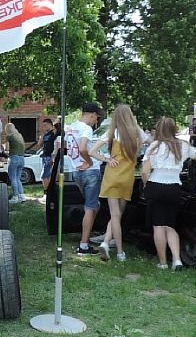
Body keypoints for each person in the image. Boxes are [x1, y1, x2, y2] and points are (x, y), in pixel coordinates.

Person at [142, 117, 196, 270]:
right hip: (174, 188)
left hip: (156, 185)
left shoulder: (154, 146)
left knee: (158, 226)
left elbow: (145, 171)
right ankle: (177, 260)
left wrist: (146, 185)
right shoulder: (183, 145)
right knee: (170, 226)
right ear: (174, 129)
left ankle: (163, 262)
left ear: (159, 130)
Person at [89, 104, 149, 262]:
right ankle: (111, 245)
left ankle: (115, 248)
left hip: (112, 175)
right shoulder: (137, 132)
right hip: (126, 177)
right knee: (118, 215)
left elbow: (91, 151)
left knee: (114, 215)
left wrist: (107, 159)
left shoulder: (112, 132)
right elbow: (151, 143)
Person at [65, 102, 105, 255]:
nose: (96, 121)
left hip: (76, 171)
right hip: (90, 171)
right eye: (97, 118)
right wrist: (88, 162)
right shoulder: (86, 128)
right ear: (92, 114)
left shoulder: (71, 127)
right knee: (90, 207)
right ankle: (83, 245)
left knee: (94, 205)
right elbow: (82, 148)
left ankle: (87, 234)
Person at [4, 123, 26, 204]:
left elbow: (7, 148)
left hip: (14, 158)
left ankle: (15, 196)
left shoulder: (9, 136)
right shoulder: (19, 136)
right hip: (22, 158)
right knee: (17, 178)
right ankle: (22, 195)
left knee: (13, 178)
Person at [39, 118, 56, 192]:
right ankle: (48, 191)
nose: (44, 127)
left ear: (50, 125)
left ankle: (47, 191)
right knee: (47, 175)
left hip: (49, 156)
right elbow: (39, 144)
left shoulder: (54, 133)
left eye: (45, 125)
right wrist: (42, 136)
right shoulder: (45, 135)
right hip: (44, 155)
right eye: (43, 126)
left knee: (44, 176)